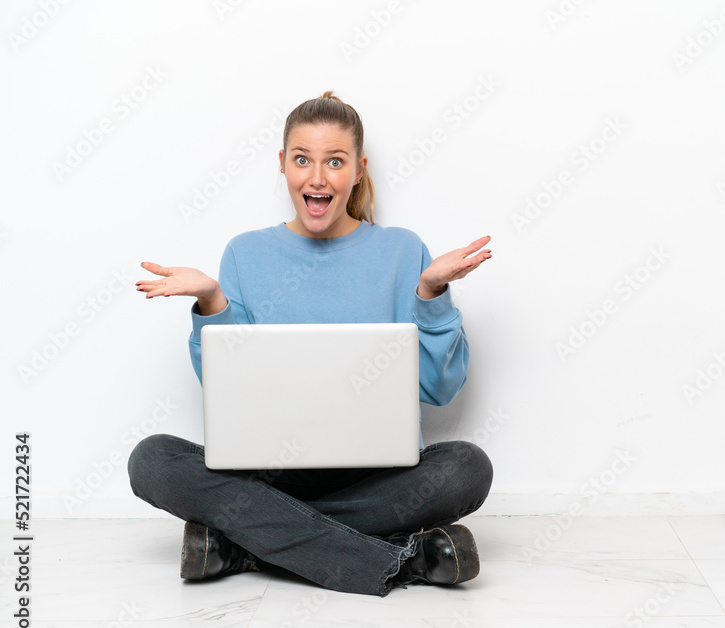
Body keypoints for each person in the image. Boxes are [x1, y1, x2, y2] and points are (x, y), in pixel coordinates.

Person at [127, 91, 494, 597]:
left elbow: (438, 388)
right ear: (283, 165)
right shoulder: (245, 253)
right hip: (270, 475)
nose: (317, 177)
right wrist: (212, 302)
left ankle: (242, 544)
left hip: (376, 477)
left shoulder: (402, 251)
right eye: (302, 160)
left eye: (335, 161)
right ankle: (401, 560)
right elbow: (229, 390)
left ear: (358, 170)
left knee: (466, 468)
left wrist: (431, 296)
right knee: (151, 459)